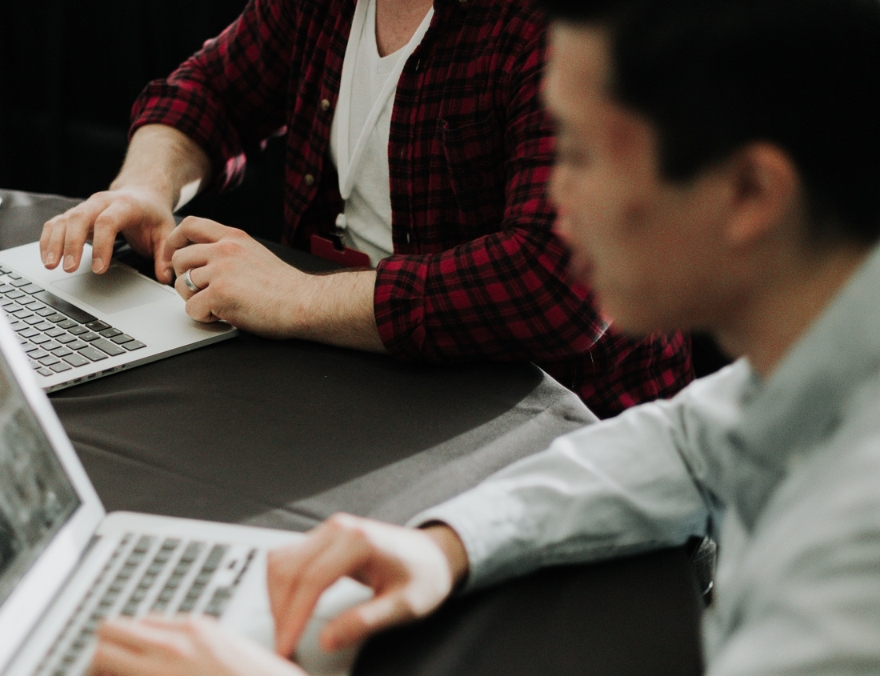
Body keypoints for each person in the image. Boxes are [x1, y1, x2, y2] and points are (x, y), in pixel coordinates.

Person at [86, 0, 880, 673]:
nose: (553, 198)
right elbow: (689, 443)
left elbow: (548, 282)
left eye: (577, 150)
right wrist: (446, 543)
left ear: (749, 193)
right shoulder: (820, 355)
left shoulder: (849, 557)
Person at [36, 0, 692, 420]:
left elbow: (559, 286)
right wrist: (145, 187)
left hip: (556, 423)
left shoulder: (563, 23)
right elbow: (210, 93)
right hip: (358, 370)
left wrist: (296, 300)